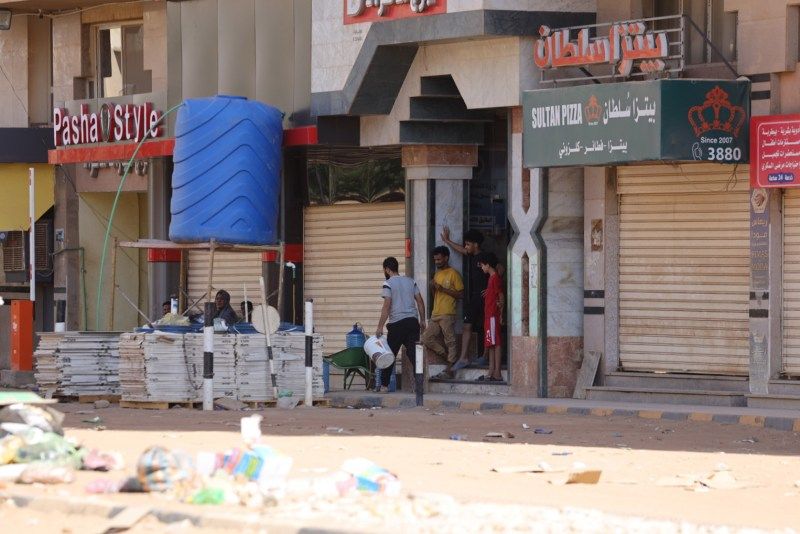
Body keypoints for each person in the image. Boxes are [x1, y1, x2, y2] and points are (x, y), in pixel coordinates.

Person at [375, 257, 427, 392]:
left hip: (396, 324)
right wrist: (422, 320)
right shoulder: (411, 281)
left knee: (389, 354)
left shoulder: (388, 283)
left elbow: (387, 306)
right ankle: (419, 385)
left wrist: (380, 326)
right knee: (414, 354)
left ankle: (384, 386)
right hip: (412, 322)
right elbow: (420, 302)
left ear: (387, 269)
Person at [440, 227, 488, 370]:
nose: (466, 247)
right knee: (467, 326)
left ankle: (485, 356)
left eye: (468, 244)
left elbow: (499, 269)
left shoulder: (486, 257)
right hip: (472, 297)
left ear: (476, 245)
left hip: (485, 298)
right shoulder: (472, 256)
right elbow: (461, 250)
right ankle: (463, 358)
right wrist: (447, 241)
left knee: (486, 327)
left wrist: (492, 289)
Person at [421, 246, 464, 379]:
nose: (437, 262)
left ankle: (450, 369)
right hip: (435, 313)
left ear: (446, 258)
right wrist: (432, 287)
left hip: (447, 313)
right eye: (435, 260)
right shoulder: (437, 274)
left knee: (450, 340)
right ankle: (449, 359)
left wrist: (443, 289)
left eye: (439, 259)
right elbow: (436, 295)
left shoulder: (454, 274)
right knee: (426, 338)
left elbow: (461, 294)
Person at [476, 252, 504, 382]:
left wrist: (501, 314)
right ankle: (491, 370)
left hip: (493, 315)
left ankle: (497, 372)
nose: (481, 267)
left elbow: (501, 296)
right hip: (489, 315)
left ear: (488, 265)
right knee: (491, 343)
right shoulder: (491, 278)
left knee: (496, 343)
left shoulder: (495, 278)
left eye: (482, 265)